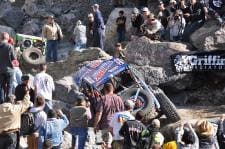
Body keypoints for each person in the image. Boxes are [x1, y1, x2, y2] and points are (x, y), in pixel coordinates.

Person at [94, 83, 124, 148]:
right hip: (116, 126)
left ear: (105, 90)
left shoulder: (103, 99)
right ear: (112, 89)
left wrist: (95, 125)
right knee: (114, 145)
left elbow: (99, 113)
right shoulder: (119, 99)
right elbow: (122, 114)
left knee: (102, 145)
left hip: (105, 126)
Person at [0, 32, 16, 104]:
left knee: (1, 87)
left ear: (1, 38)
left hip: (0, 70)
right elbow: (14, 59)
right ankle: (8, 103)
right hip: (9, 70)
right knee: (9, 87)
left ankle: (1, 103)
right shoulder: (9, 46)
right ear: (8, 38)